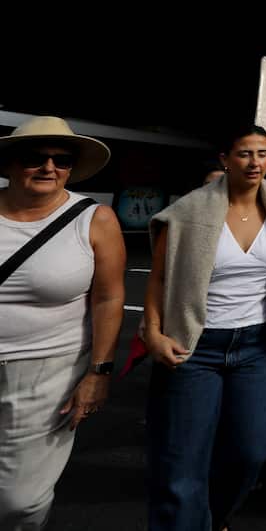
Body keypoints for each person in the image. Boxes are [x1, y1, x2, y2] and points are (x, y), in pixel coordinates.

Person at [144, 125, 266, 531]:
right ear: (225, 158)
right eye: (244, 153)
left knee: (255, 449)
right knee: (183, 459)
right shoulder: (189, 211)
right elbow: (157, 279)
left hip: (256, 348)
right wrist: (152, 332)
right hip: (194, 347)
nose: (255, 161)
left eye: (261, 153)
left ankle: (214, 516)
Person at [0, 116, 125, 531]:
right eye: (36, 158)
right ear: (11, 163)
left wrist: (98, 372)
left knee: (21, 501)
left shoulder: (94, 219)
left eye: (62, 160)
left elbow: (109, 299)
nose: (49, 167)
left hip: (46, 375)